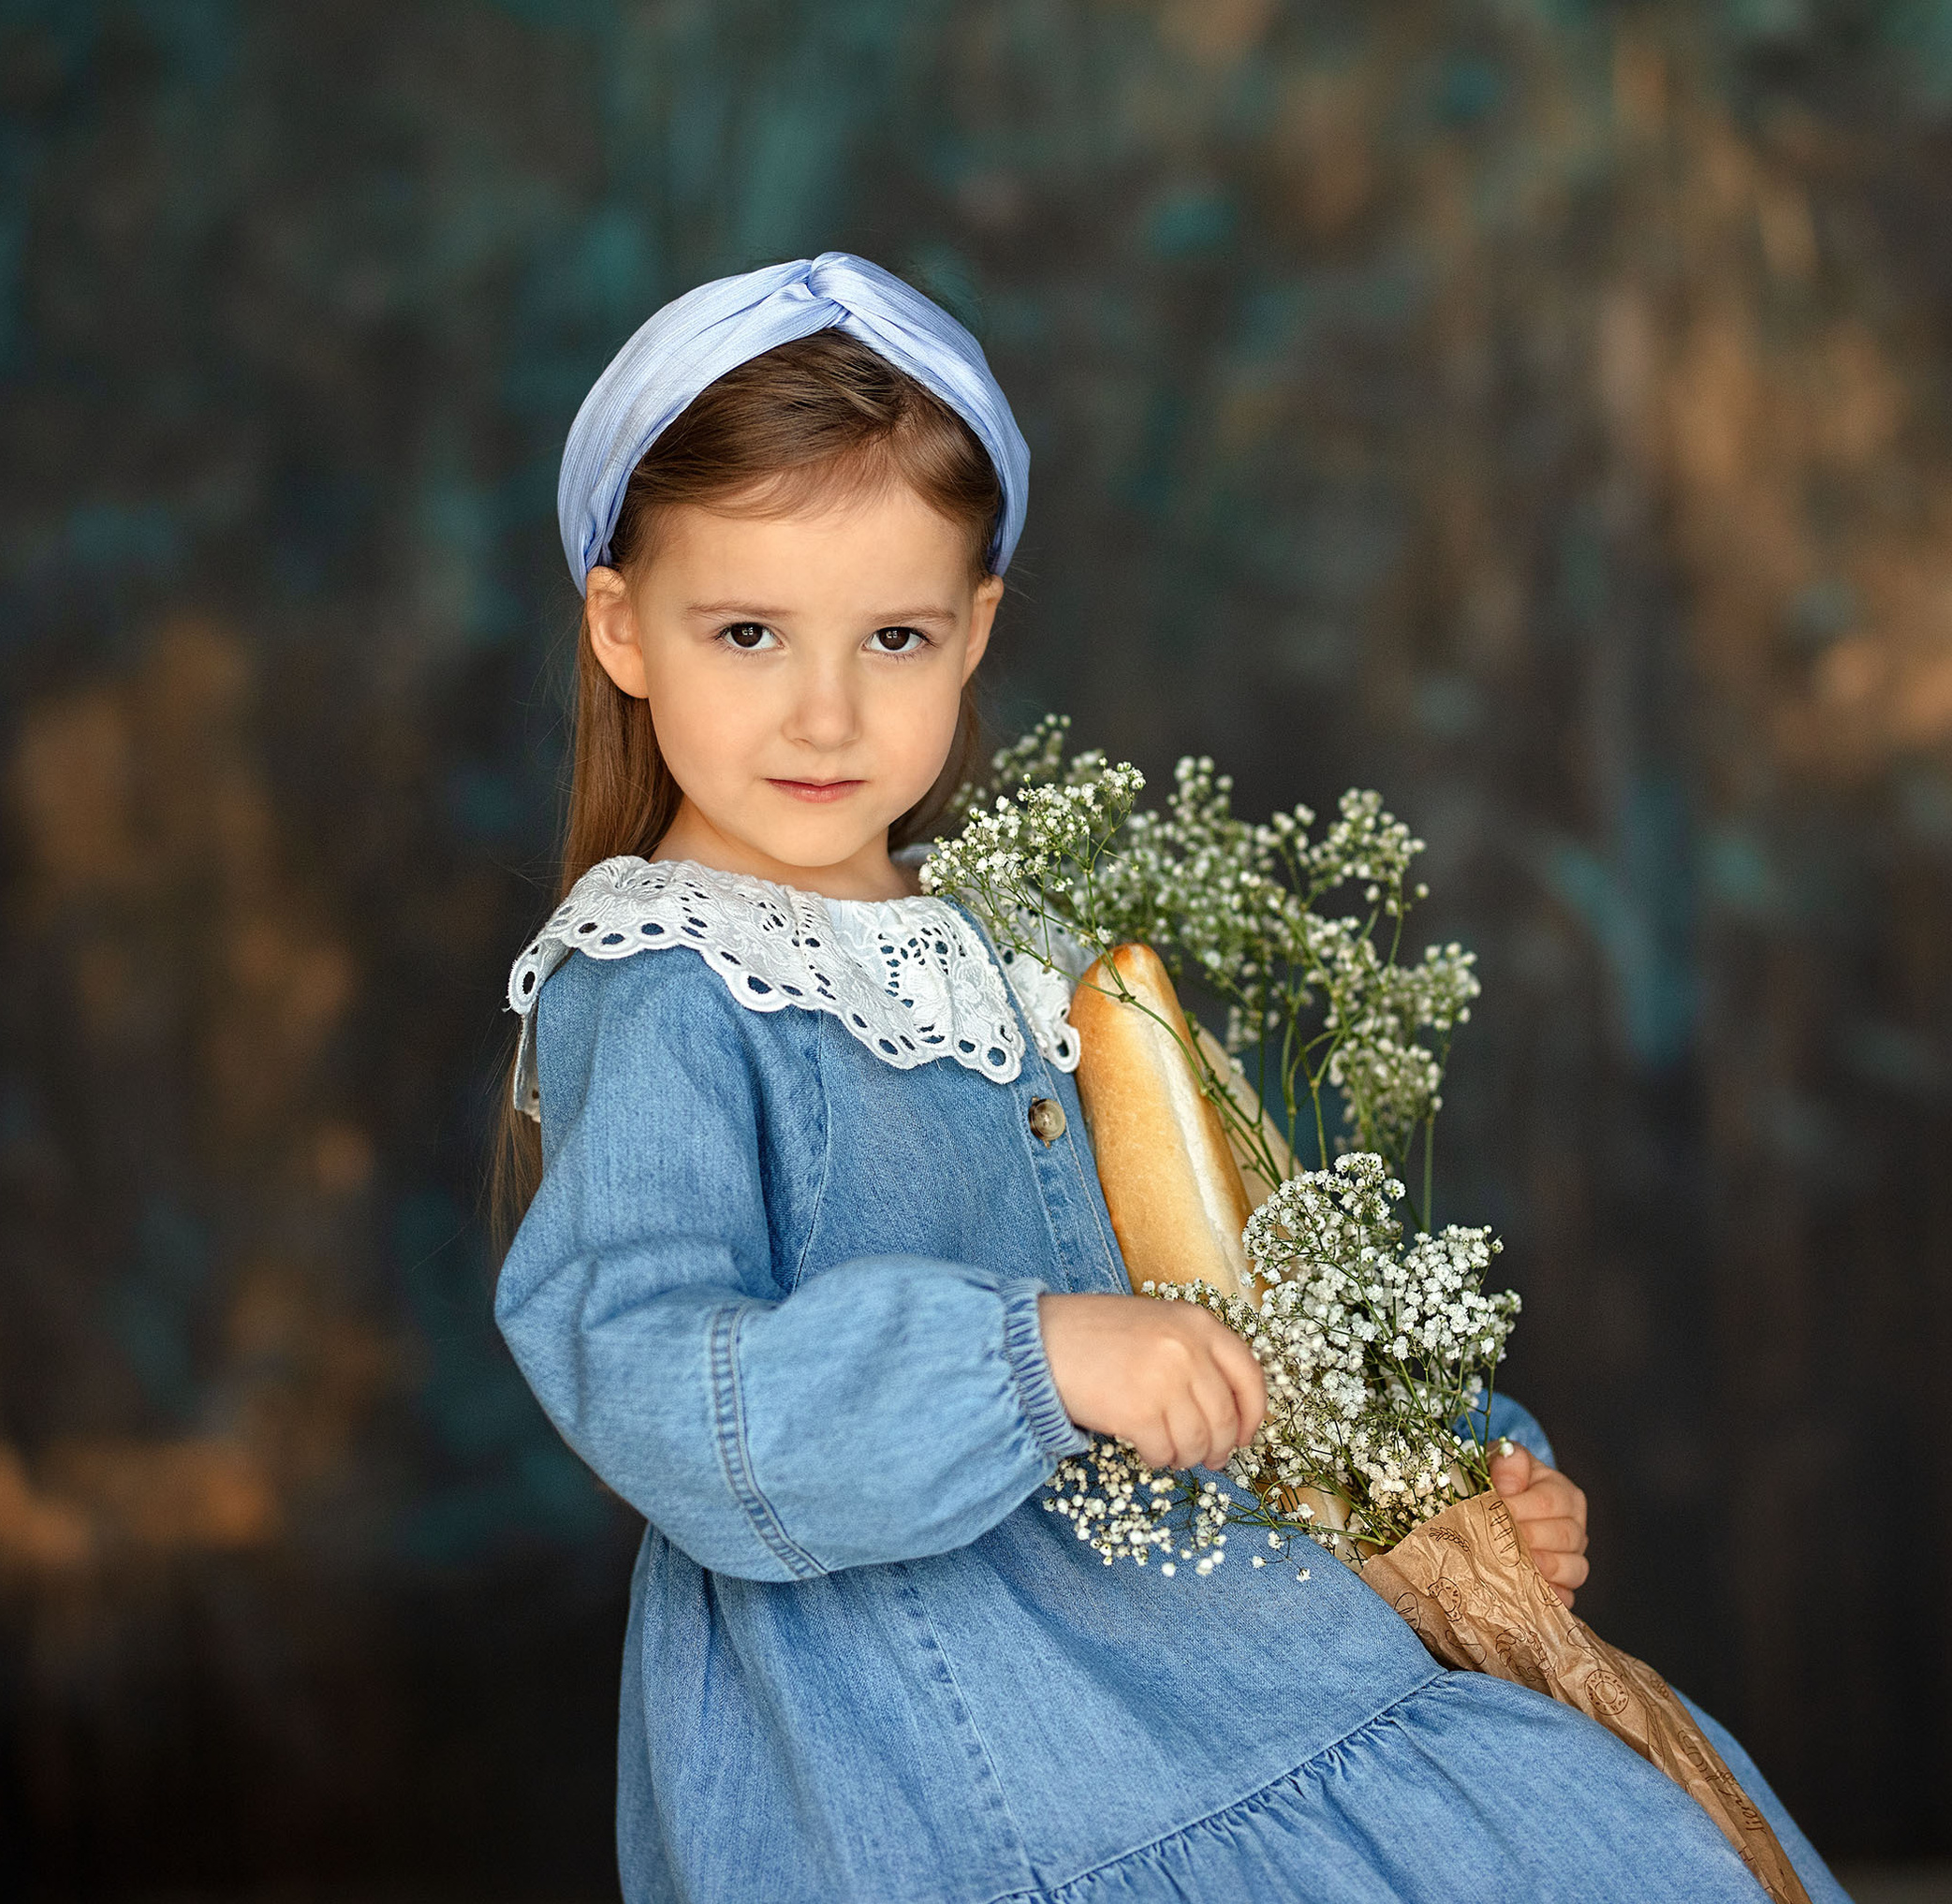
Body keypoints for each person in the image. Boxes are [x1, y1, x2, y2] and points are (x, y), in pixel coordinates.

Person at [490, 253, 1849, 1904]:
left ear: (977, 628)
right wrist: (1030, 1356)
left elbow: (1246, 1257)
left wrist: (1465, 1463)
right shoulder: (663, 980)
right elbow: (641, 1361)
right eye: (750, 629)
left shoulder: (1030, 937)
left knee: (1603, 1836)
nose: (825, 708)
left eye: (897, 634)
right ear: (625, 628)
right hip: (954, 1747)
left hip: (1237, 1650)